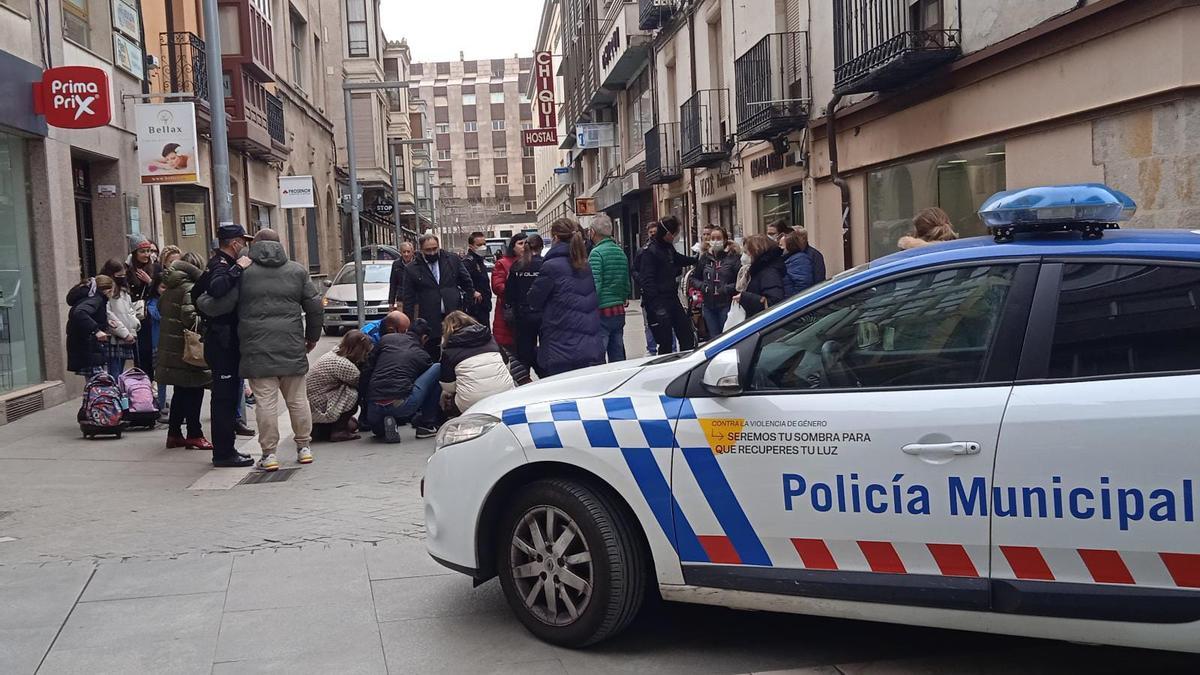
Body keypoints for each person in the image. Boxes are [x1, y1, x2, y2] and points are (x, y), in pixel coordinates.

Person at [205, 229, 323, 472]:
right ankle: (304, 448)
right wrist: (311, 337)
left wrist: (200, 301)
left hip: (257, 348)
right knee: (298, 399)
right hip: (291, 345)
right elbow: (314, 307)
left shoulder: (245, 272)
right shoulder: (297, 270)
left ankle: (269, 455)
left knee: (266, 403)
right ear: (281, 244)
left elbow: (221, 304)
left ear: (255, 245)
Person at [191, 223, 256, 468]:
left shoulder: (217, 264)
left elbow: (195, 295)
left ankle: (226, 449)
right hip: (222, 340)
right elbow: (215, 289)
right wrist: (238, 269)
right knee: (224, 398)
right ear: (234, 243)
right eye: (243, 241)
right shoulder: (221, 264)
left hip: (222, 338)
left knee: (226, 397)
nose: (245, 246)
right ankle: (224, 452)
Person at [527, 218, 604, 377]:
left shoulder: (551, 266)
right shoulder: (584, 264)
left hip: (561, 348)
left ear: (554, 238)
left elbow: (534, 300)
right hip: (589, 345)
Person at [155, 252, 212, 450]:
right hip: (188, 351)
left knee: (180, 392)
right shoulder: (190, 288)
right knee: (194, 392)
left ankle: (174, 433)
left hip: (173, 349)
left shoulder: (171, 288)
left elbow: (162, 309)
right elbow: (190, 318)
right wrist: (207, 322)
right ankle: (194, 433)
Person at [361, 311, 440, 442]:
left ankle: (383, 424)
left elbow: (367, 371)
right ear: (424, 338)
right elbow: (424, 385)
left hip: (373, 405)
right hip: (401, 405)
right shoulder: (422, 355)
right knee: (437, 368)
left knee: (378, 429)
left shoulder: (386, 339)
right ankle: (427, 425)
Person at [402, 233, 474, 359]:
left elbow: (467, 282)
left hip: (453, 314)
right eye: (428, 250)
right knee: (433, 353)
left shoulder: (452, 260)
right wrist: (409, 323)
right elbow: (408, 298)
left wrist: (466, 306)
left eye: (435, 249)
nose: (432, 253)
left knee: (455, 350)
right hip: (429, 318)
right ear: (421, 250)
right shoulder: (412, 269)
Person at [637, 215, 698, 354]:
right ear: (668, 233)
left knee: (686, 335)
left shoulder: (667, 247)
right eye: (676, 233)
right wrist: (657, 307)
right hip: (658, 301)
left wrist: (694, 260)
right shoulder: (649, 251)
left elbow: (677, 259)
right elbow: (647, 281)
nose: (676, 237)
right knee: (665, 342)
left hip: (671, 297)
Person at [439, 311, 514, 415]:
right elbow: (507, 366)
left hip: (471, 402)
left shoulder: (449, 350)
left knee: (447, 400)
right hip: (505, 394)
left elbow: (448, 386)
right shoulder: (490, 338)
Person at [308, 330, 373, 442]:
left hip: (312, 400)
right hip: (319, 403)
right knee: (353, 394)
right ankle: (339, 431)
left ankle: (322, 429)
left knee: (353, 424)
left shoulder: (334, 353)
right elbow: (361, 384)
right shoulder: (344, 364)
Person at [587, 214, 630, 362]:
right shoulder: (620, 251)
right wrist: (623, 297)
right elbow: (625, 281)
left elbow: (595, 284)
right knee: (617, 352)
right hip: (618, 309)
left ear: (592, 232)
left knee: (599, 354)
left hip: (602, 310)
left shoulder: (596, 253)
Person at [505, 234, 544, 377]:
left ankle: (524, 379)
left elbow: (509, 293)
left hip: (522, 315)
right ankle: (546, 377)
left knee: (524, 352)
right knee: (546, 350)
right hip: (543, 314)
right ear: (541, 248)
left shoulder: (517, 266)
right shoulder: (545, 264)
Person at [690, 226, 741, 338]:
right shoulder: (705, 258)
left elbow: (741, 281)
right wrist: (703, 286)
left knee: (727, 336)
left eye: (718, 238)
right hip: (708, 305)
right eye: (713, 238)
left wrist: (727, 288)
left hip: (726, 304)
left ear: (725, 240)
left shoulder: (733, 258)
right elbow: (693, 278)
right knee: (714, 337)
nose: (715, 241)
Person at [66, 275, 114, 386]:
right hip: (90, 349)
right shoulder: (96, 299)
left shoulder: (90, 298)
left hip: (86, 349)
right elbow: (80, 313)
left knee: (94, 385)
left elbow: (89, 316)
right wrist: (96, 330)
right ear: (108, 290)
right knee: (99, 385)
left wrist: (106, 323)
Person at [127, 236, 161, 379]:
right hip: (134, 315)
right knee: (139, 354)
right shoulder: (128, 269)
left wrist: (150, 282)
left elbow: (161, 289)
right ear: (135, 253)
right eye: (143, 251)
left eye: (148, 251)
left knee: (151, 352)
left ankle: (152, 387)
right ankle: (142, 387)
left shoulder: (156, 268)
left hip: (150, 315)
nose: (147, 254)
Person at [99, 258, 139, 378]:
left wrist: (133, 330)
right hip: (114, 338)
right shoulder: (107, 291)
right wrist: (124, 333)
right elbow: (109, 314)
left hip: (126, 337)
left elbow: (130, 311)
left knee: (120, 372)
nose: (122, 277)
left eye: (123, 274)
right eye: (118, 275)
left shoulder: (124, 290)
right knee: (114, 372)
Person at [154, 246, 183, 413]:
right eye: (171, 262)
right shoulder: (161, 280)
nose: (175, 265)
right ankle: (161, 401)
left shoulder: (183, 279)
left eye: (178, 261)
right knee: (162, 368)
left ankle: (175, 405)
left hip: (178, 331)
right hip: (162, 332)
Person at [491, 232, 526, 353]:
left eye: (526, 243)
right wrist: (516, 289)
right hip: (508, 311)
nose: (524, 246)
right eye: (520, 243)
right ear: (513, 246)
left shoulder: (530, 261)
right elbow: (497, 287)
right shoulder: (503, 263)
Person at [736, 234, 786, 318]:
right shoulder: (758, 270)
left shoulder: (769, 272)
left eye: (746, 252)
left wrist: (745, 298)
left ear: (756, 251)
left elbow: (774, 302)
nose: (743, 256)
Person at [462, 232, 493, 327]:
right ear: (471, 246)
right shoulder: (468, 262)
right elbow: (463, 281)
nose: (483, 247)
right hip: (475, 306)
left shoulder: (480, 260)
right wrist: (473, 292)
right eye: (479, 245)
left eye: (484, 244)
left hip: (484, 305)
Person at [781, 229, 818, 297]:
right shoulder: (788, 259)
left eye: (781, 245)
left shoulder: (799, 259)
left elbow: (803, 285)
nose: (780, 248)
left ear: (789, 245)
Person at [388, 241, 416, 310]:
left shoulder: (418, 264)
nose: (406, 254)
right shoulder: (396, 264)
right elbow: (393, 284)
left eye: (408, 252)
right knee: (402, 320)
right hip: (401, 299)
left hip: (415, 300)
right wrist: (391, 302)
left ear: (412, 252)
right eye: (404, 252)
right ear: (401, 253)